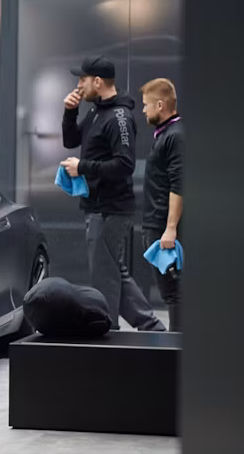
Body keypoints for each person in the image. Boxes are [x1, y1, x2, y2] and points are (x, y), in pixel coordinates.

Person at [61, 56, 165, 332]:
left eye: (82, 79)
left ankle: (108, 334)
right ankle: (151, 328)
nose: (78, 85)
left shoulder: (118, 117)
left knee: (105, 277)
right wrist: (70, 112)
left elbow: (125, 165)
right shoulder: (96, 112)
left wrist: (82, 166)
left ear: (97, 81)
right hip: (97, 206)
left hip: (110, 210)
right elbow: (71, 141)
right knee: (112, 273)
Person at [140, 78, 184, 332]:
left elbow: (179, 185)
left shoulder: (175, 137)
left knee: (173, 292)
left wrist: (170, 228)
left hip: (164, 229)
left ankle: (178, 354)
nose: (144, 110)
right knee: (173, 292)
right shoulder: (166, 134)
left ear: (160, 104)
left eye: (146, 105)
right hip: (157, 225)